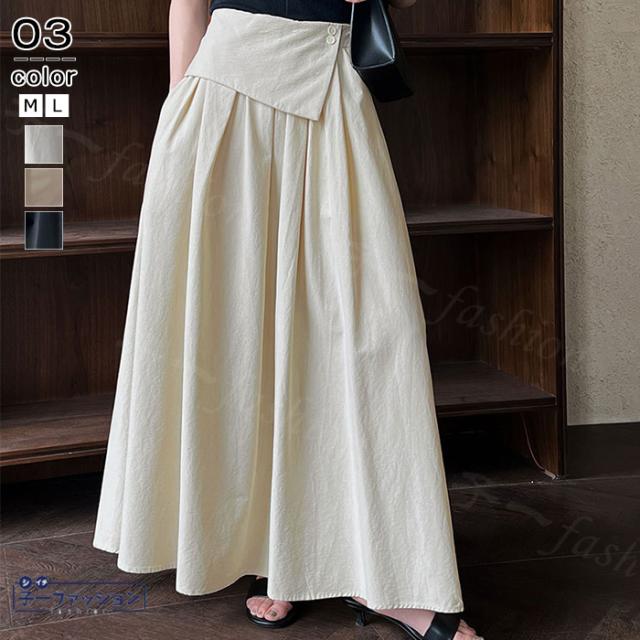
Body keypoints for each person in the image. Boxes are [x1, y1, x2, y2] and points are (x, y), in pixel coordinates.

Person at [92, 1, 483, 639]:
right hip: (221, 97)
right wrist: (180, 113)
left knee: (372, 335)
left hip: (331, 88)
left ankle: (393, 578)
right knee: (237, 335)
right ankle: (278, 553)